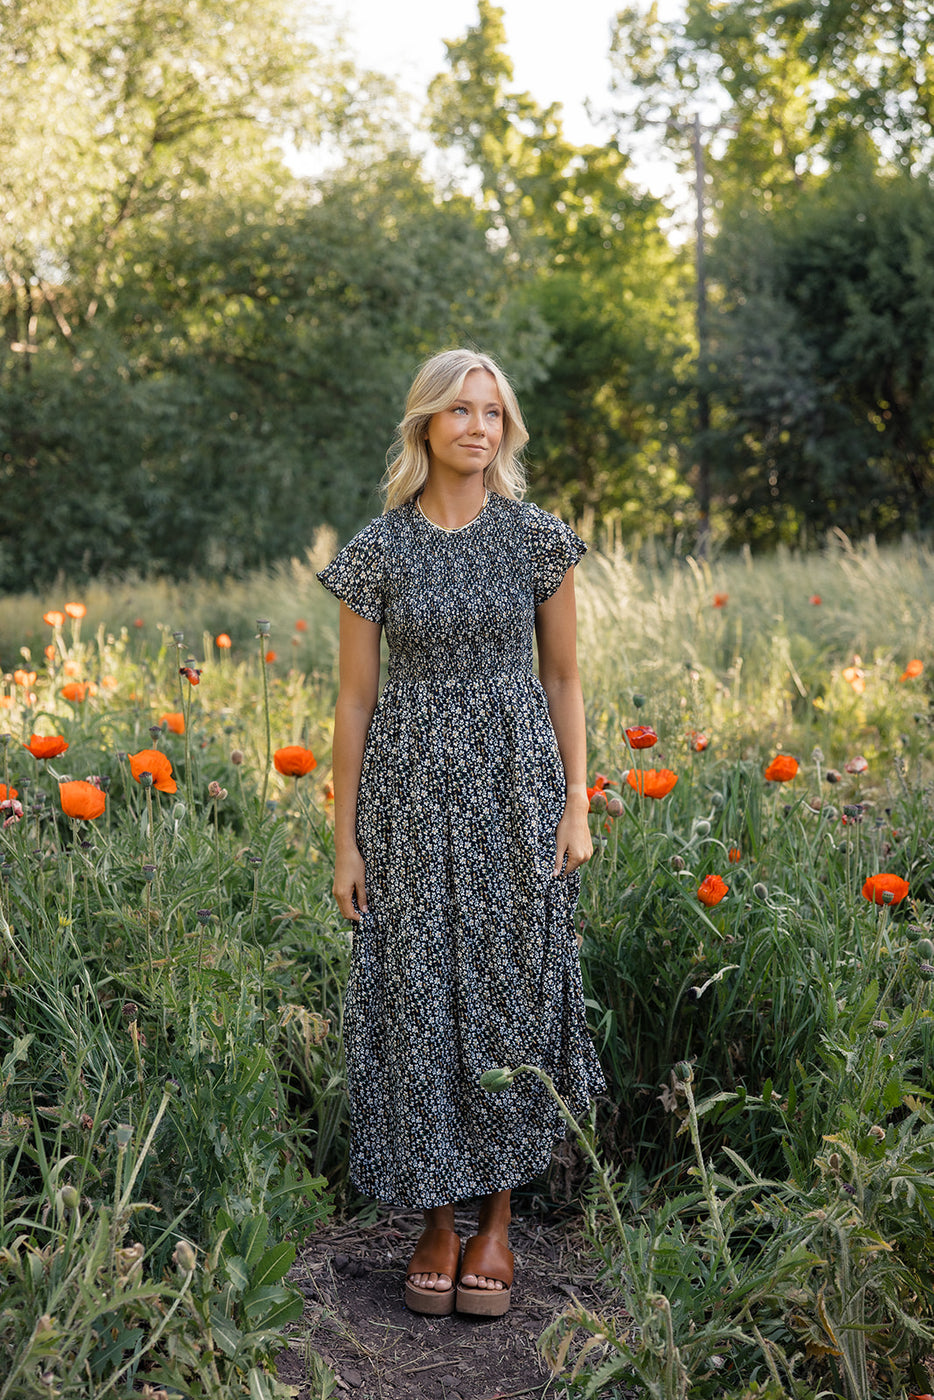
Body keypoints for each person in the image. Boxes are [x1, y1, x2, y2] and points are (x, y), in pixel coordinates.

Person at [316, 348, 605, 1319]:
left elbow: (563, 679)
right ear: (427, 426)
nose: (478, 426)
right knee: (420, 995)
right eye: (460, 410)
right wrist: (344, 838)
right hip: (406, 798)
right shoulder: (377, 550)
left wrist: (575, 799)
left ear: (504, 429)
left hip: (516, 788)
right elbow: (354, 702)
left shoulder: (537, 540)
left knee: (509, 987)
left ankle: (499, 1221)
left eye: (493, 411)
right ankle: (436, 1218)